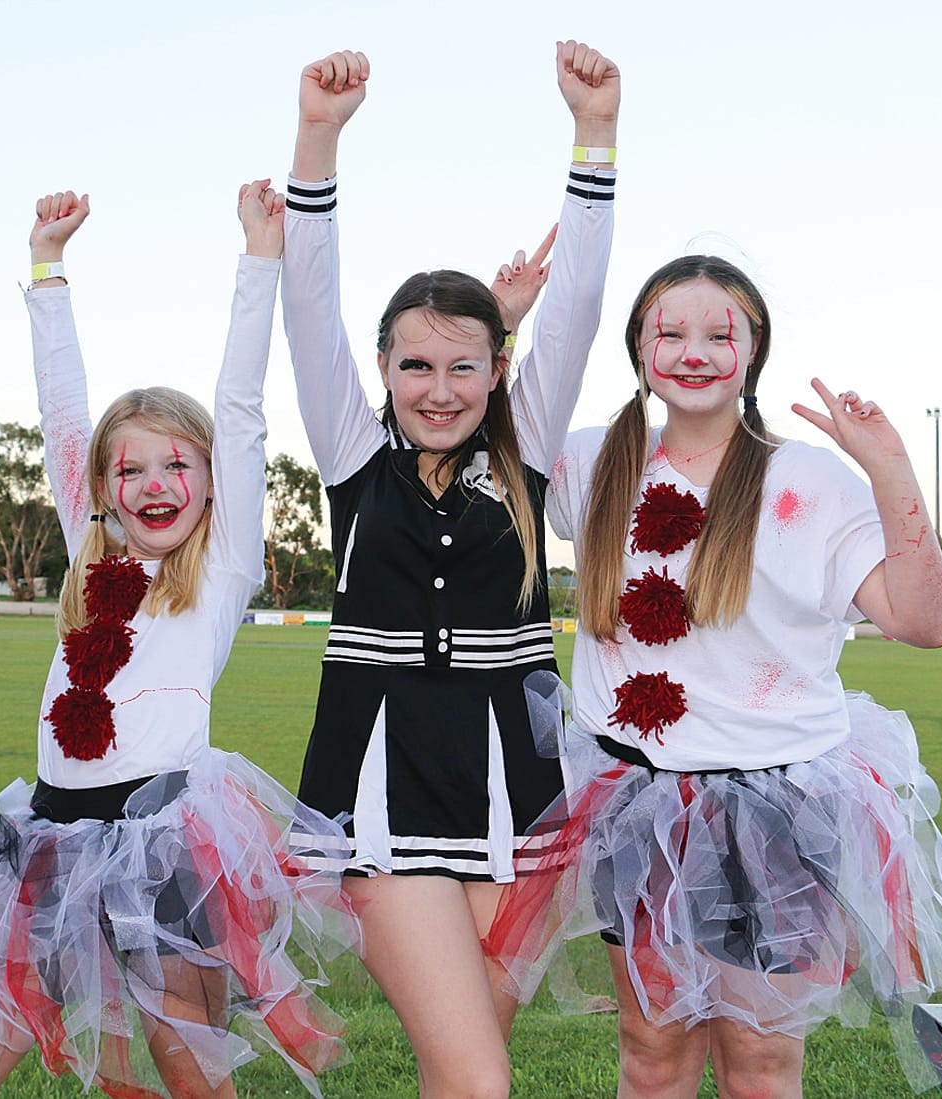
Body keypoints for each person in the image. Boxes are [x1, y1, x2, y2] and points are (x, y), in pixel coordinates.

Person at [498, 255, 942, 1097]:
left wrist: (889, 465)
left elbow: (923, 621)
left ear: (754, 348)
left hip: (779, 811)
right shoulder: (594, 463)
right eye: (670, 332)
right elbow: (489, 447)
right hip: (636, 802)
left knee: (761, 1061)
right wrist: (504, 329)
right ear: (639, 347)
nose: (694, 352)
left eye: (718, 333)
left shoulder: (811, 480)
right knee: (650, 1051)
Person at [0, 181, 357, 1099]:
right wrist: (48, 268)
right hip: (50, 833)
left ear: (211, 480)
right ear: (102, 487)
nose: (156, 483)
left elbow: (239, 408)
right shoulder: (93, 556)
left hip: (161, 838)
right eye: (131, 468)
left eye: (179, 464)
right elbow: (62, 416)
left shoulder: (221, 569)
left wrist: (260, 256)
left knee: (185, 1057)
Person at [279, 43, 619, 1099]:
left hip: (517, 795)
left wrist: (594, 136)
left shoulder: (524, 450)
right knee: (478, 1078)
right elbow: (309, 302)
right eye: (415, 364)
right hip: (380, 792)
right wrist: (319, 137)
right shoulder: (354, 457)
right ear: (382, 366)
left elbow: (580, 304)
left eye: (464, 364)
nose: (439, 388)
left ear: (498, 367)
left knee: (460, 1070)